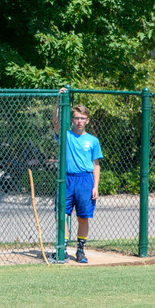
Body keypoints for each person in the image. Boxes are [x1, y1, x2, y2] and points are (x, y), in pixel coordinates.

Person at [52, 100, 102, 264]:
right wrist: (59, 103)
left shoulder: (93, 140)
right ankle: (63, 250)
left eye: (82, 118)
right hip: (66, 179)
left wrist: (95, 186)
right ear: (72, 120)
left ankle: (80, 251)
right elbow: (56, 123)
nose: (79, 121)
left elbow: (96, 165)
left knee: (83, 217)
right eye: (76, 118)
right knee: (61, 215)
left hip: (85, 181)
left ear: (87, 120)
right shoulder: (66, 135)